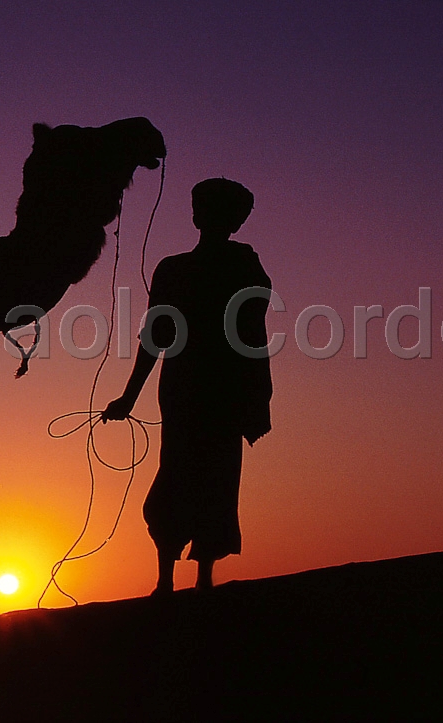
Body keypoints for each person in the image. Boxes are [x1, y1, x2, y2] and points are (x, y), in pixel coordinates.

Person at [102, 177, 273, 594]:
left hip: (217, 389)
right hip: (187, 388)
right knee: (182, 475)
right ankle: (172, 580)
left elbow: (251, 335)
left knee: (211, 477)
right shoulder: (177, 269)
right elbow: (156, 335)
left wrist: (256, 397)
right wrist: (128, 395)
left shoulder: (240, 266)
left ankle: (194, 579)